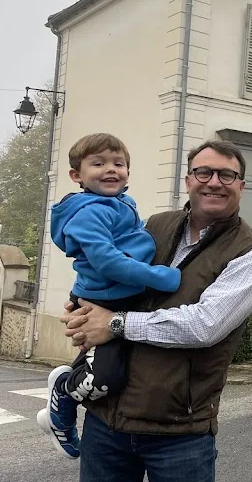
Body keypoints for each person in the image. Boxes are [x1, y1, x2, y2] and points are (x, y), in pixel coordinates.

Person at [60, 140, 252, 482]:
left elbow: (203, 326)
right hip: (106, 421)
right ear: (189, 180)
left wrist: (115, 323)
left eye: (227, 175)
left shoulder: (251, 254)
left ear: (241, 186)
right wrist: (81, 307)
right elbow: (109, 271)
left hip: (178, 433)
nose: (214, 182)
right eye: (203, 172)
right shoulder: (154, 225)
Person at [38, 133, 182, 460]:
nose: (111, 170)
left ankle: (71, 384)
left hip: (114, 297)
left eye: (119, 164)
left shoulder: (120, 204)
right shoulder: (89, 211)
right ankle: (64, 395)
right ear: (77, 175)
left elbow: (130, 239)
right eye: (98, 164)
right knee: (106, 378)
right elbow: (108, 261)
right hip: (104, 300)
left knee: (115, 365)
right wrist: (162, 277)